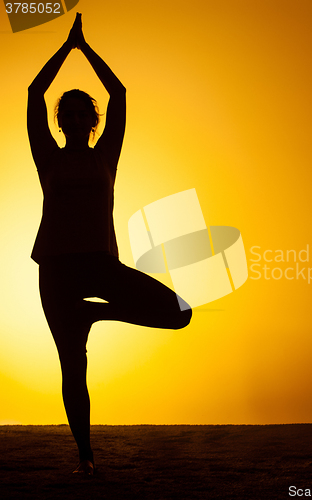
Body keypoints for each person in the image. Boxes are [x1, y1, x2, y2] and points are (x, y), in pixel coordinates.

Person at [27, 13, 192, 476]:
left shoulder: (106, 157)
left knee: (180, 313)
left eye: (85, 113)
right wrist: (65, 47)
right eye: (70, 113)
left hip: (101, 265)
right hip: (57, 269)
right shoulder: (48, 158)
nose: (77, 118)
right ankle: (86, 456)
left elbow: (118, 94)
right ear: (60, 122)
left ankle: (97, 312)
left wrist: (85, 48)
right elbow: (33, 94)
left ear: (93, 122)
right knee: (72, 366)